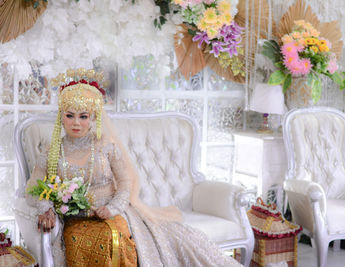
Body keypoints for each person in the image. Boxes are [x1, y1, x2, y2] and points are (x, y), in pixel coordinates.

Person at [25, 68, 243, 267]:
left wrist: (112, 208)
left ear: (93, 119)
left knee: (116, 239)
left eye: (83, 117)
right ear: (61, 117)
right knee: (75, 240)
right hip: (76, 218)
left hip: (110, 213)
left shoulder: (106, 147)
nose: (76, 123)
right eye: (70, 115)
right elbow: (33, 187)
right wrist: (47, 208)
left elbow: (125, 183)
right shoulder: (52, 151)